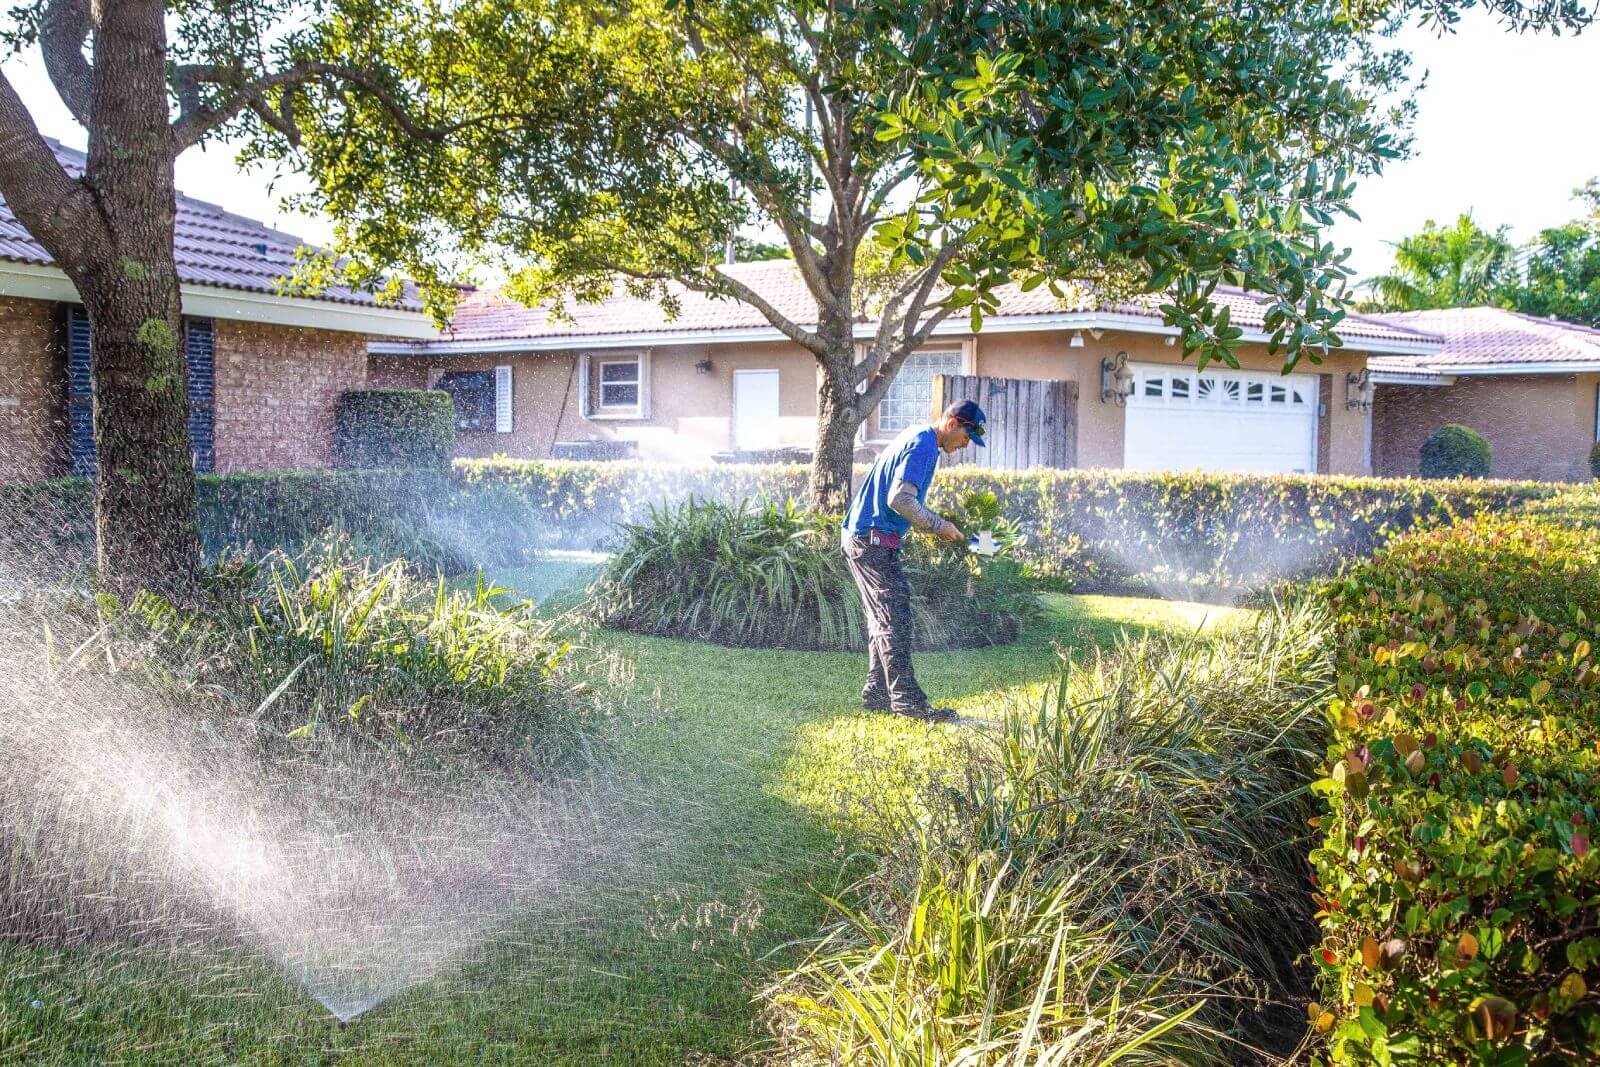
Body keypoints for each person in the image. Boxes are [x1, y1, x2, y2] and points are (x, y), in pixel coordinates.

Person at [841, 399, 987, 722]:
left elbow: (898, 501)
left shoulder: (917, 436)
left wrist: (937, 527)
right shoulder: (925, 445)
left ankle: (877, 692)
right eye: (966, 437)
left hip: (867, 537)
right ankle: (907, 702)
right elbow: (899, 499)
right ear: (952, 424)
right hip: (869, 540)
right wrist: (938, 525)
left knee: (886, 615)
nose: (965, 445)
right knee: (895, 618)